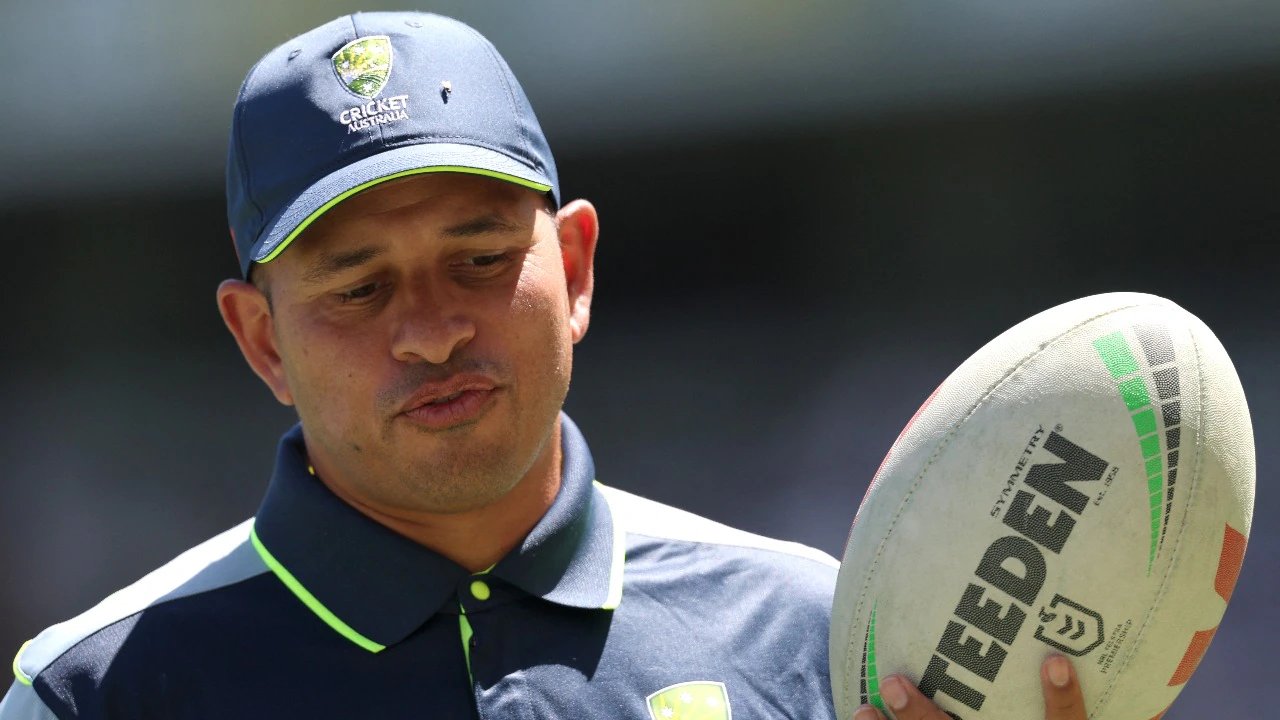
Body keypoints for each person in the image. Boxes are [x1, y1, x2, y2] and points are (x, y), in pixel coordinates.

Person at [0, 11, 1086, 720]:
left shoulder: (816, 633)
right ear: (262, 341)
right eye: (359, 290)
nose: (431, 333)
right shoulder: (95, 693)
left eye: (478, 261)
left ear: (571, 269)